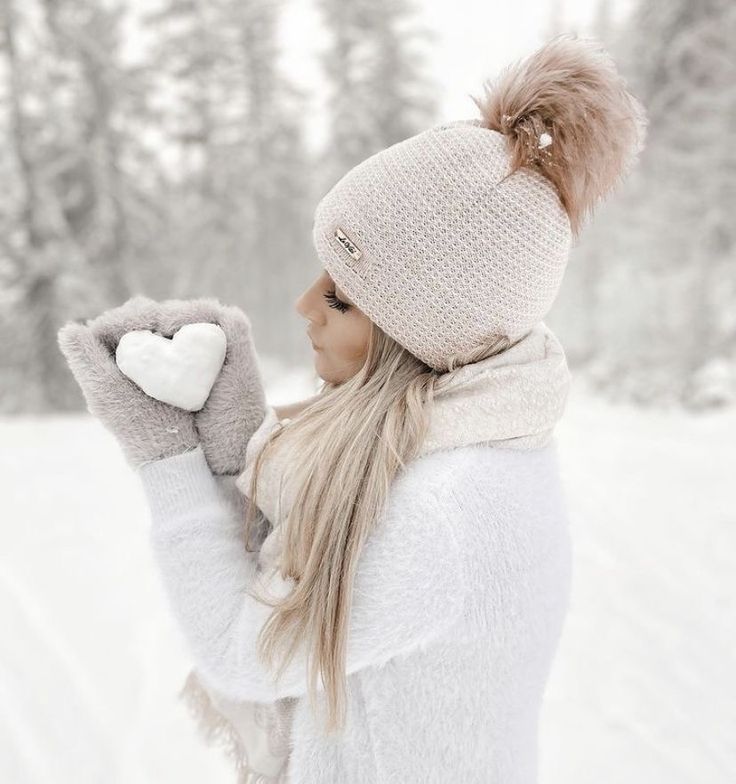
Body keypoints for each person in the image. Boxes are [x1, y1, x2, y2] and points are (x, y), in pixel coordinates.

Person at [58, 33, 647, 784]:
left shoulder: (441, 516)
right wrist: (239, 439)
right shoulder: (472, 446)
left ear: (418, 332)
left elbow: (244, 654)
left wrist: (167, 455)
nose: (303, 306)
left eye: (340, 297)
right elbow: (323, 553)